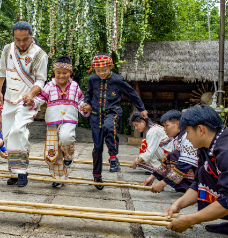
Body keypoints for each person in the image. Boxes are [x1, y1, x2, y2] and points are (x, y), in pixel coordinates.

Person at [80, 53, 148, 190]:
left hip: (113, 111)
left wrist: (142, 108)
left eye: (104, 70)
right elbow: (88, 95)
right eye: (98, 70)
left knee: (109, 126)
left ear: (110, 67)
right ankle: (97, 175)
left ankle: (113, 157)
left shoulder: (118, 80)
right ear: (94, 70)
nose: (102, 73)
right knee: (97, 147)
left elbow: (132, 94)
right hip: (95, 115)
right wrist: (86, 104)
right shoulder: (92, 79)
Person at [0, 21, 48, 187]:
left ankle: (22, 171)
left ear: (31, 36)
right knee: (8, 135)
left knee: (19, 130)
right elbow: (1, 70)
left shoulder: (40, 55)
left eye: (25, 39)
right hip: (9, 99)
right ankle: (13, 172)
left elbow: (41, 79)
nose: (21, 43)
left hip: (27, 101)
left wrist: (31, 94)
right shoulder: (7, 49)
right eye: (17, 39)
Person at [165, 105, 228, 235]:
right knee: (204, 172)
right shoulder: (205, 148)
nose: (186, 137)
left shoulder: (225, 152)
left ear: (200, 130)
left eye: (187, 132)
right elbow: (199, 183)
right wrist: (178, 204)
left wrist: (190, 219)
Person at [28, 56, 89, 188]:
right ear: (54, 72)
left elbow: (81, 101)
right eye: (58, 73)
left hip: (69, 120)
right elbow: (40, 99)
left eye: (65, 73)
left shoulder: (75, 86)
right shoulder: (49, 86)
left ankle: (68, 156)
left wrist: (84, 107)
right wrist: (32, 102)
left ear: (70, 73)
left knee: (66, 138)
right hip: (52, 122)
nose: (61, 75)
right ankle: (59, 177)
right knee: (51, 152)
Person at [144, 110, 198, 193]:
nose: (164, 129)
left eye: (166, 126)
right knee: (171, 156)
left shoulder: (187, 137)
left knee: (174, 155)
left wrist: (163, 183)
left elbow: (185, 164)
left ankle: (189, 187)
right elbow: (167, 161)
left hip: (198, 173)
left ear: (177, 124)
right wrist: (152, 176)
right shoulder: (176, 139)